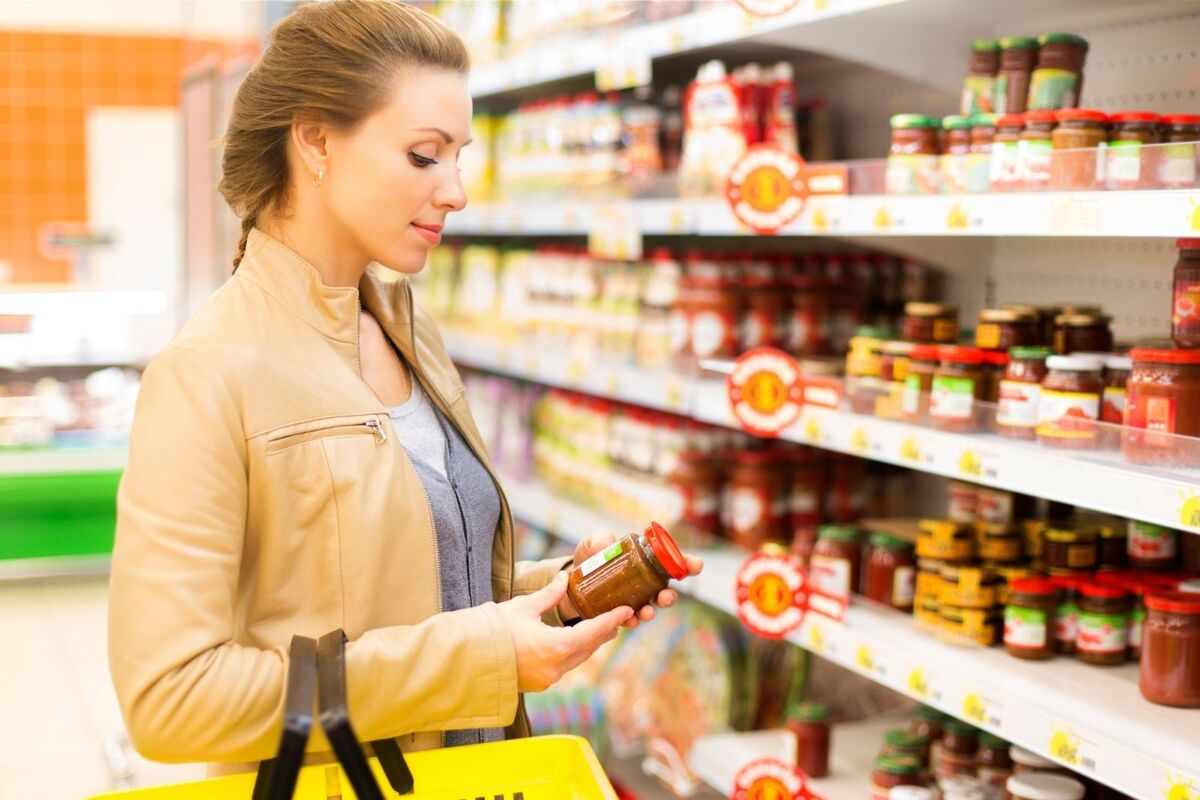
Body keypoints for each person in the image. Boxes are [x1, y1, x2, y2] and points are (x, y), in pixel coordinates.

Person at [107, 0, 703, 775]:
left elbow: (402, 598)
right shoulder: (208, 373)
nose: (456, 191)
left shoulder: (404, 328)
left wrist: (551, 595)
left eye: (458, 156)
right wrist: (483, 654)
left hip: (474, 778)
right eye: (426, 156)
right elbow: (172, 700)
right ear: (316, 141)